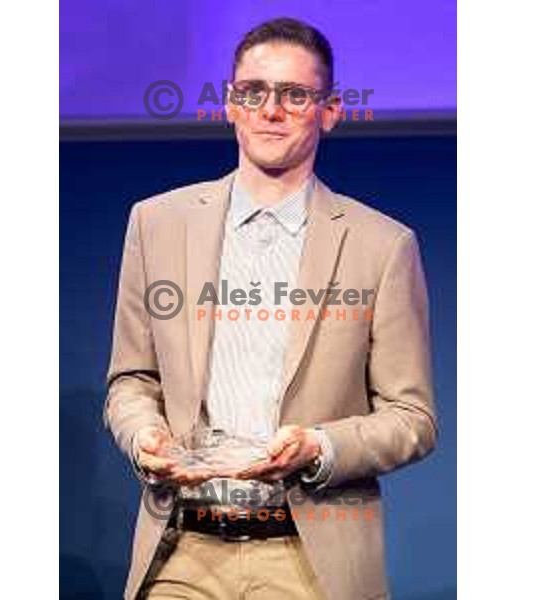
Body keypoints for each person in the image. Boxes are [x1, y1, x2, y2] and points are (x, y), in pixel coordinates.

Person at [105, 17, 437, 600]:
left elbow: (413, 418)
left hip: (306, 557)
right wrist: (144, 436)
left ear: (330, 111)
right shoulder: (156, 223)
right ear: (231, 103)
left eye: (295, 94)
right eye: (253, 92)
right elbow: (132, 379)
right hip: (181, 549)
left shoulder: (381, 245)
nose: (271, 110)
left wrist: (318, 447)